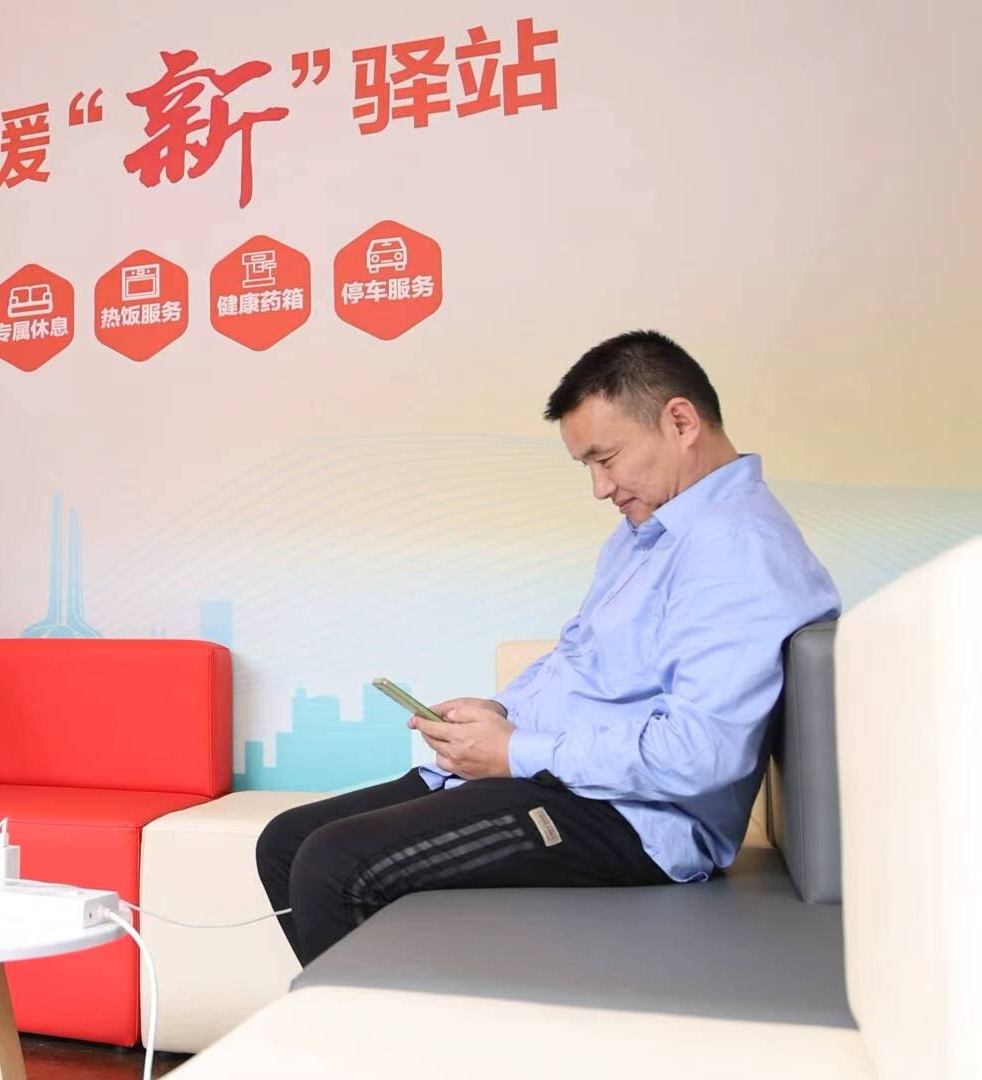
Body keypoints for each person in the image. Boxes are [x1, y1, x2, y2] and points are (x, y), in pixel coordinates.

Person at [256, 330, 840, 967]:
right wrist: (499, 715)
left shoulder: (738, 548)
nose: (599, 487)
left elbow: (701, 754)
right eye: (586, 466)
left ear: (680, 421)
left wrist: (514, 751)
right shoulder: (646, 535)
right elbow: (576, 658)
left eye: (606, 458)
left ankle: (385, 1027)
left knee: (334, 866)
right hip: (563, 779)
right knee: (285, 841)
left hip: (630, 818)